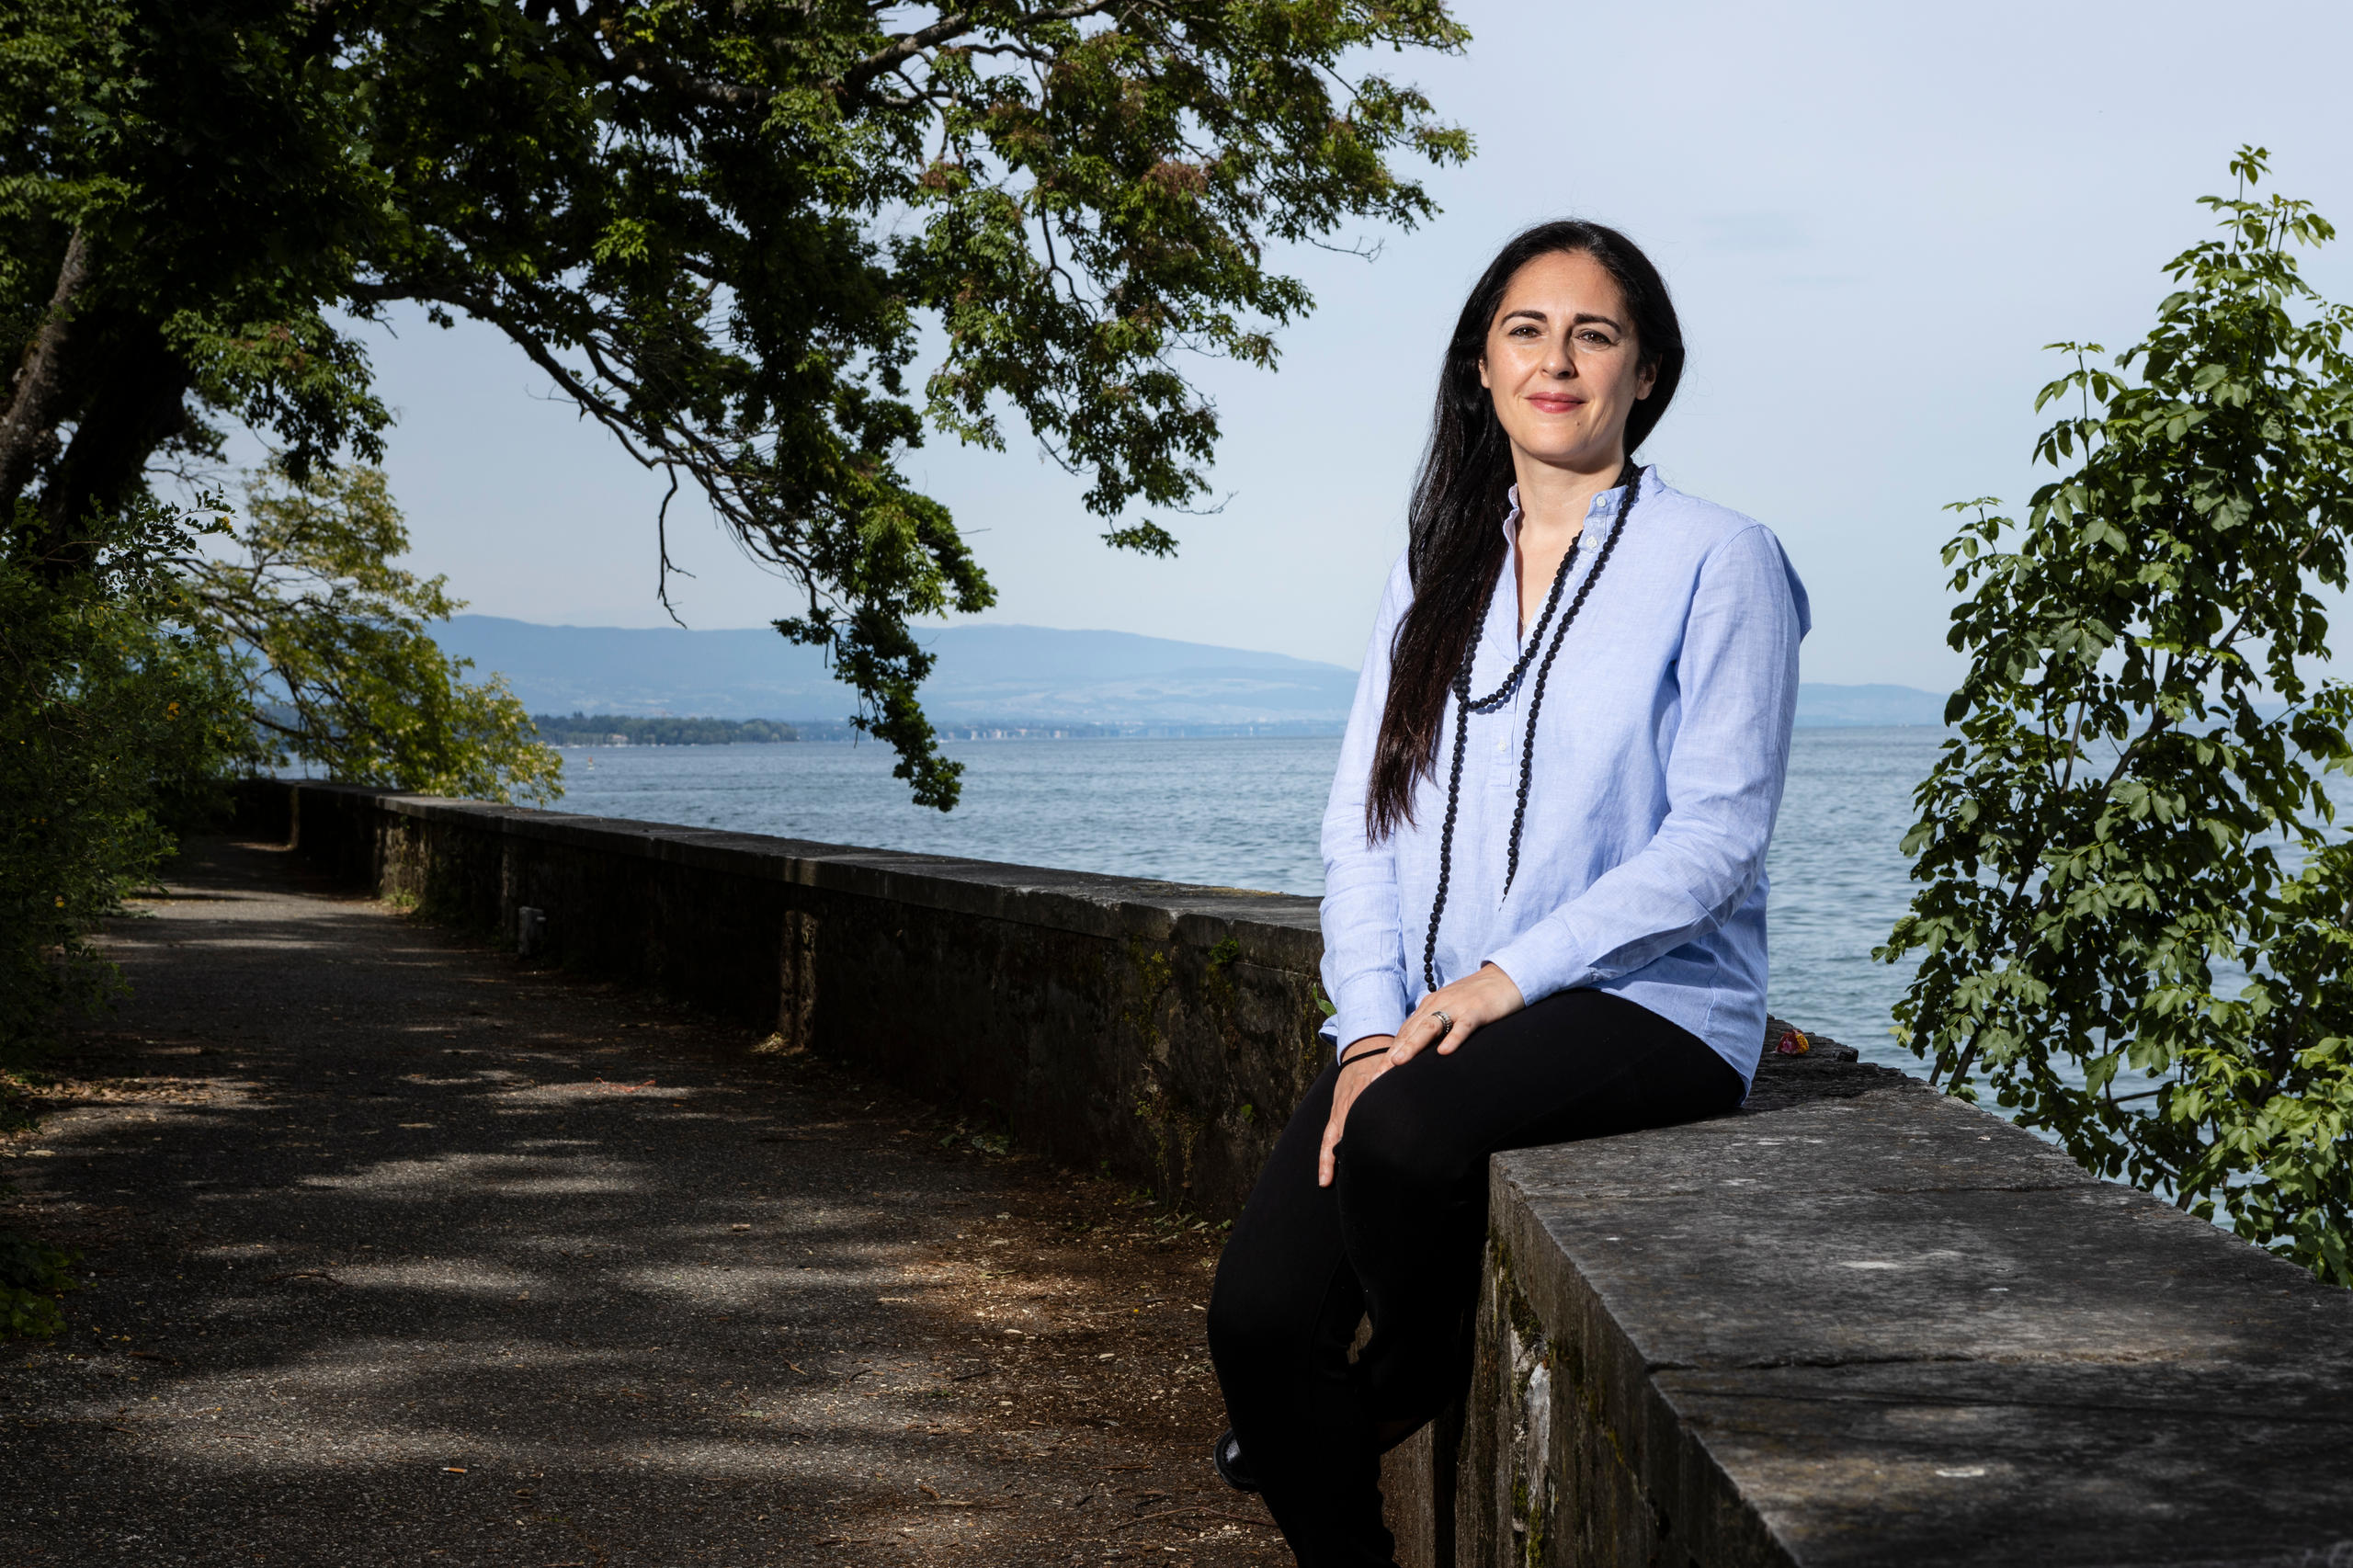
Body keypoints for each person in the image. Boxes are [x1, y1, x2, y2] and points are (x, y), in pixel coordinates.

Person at [1202, 220, 1810, 1566]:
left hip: (1643, 1002)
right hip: (1432, 1018)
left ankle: (1403, 1379)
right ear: (1480, 364)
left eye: (1595, 334)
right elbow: (1361, 822)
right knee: (1252, 1318)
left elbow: (1717, 838)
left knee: (1409, 1139)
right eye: (1527, 330)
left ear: (1645, 372)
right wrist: (1369, 1022)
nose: (1559, 360)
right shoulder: (1439, 562)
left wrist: (1503, 978)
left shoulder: (1722, 558)